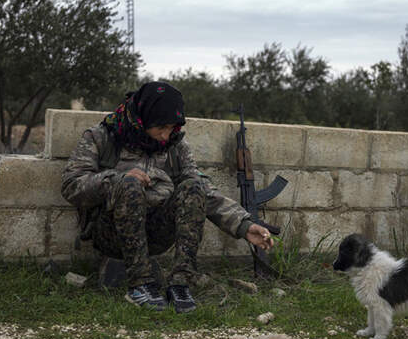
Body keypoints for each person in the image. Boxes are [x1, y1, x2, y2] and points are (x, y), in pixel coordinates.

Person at [61, 81, 274, 313]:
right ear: (143, 118)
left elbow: (205, 191)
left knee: (193, 186)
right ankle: (140, 284)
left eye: (171, 128)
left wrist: (244, 225)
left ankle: (180, 283)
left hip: (157, 234)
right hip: (109, 232)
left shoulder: (176, 146)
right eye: (160, 128)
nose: (165, 136)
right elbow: (72, 185)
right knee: (128, 183)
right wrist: (116, 179)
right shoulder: (101, 137)